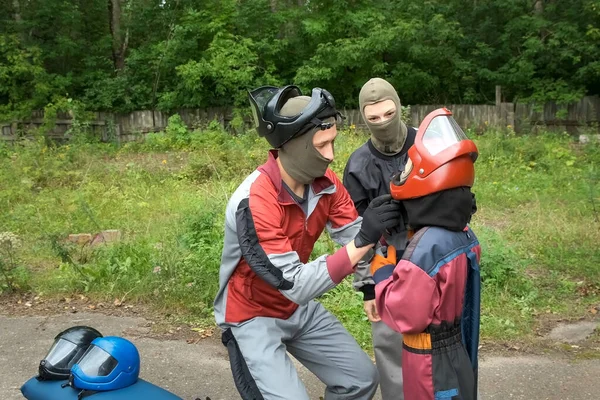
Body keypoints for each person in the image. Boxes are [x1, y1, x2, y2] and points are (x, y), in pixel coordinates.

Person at [213, 84, 404, 400]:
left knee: (361, 379)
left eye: (333, 142)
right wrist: (363, 240)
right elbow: (297, 283)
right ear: (296, 145)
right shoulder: (254, 201)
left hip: (294, 308)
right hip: (251, 315)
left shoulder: (327, 185)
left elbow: (351, 235)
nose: (331, 155)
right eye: (322, 145)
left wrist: (370, 285)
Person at [370, 107, 481, 400]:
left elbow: (404, 314)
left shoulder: (425, 248)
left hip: (427, 359)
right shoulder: (463, 234)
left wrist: (381, 272)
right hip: (456, 347)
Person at [343, 77, 416, 399]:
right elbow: (356, 233)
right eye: (373, 118)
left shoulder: (428, 144)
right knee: (391, 351)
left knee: (446, 343)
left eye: (389, 113)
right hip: (388, 263)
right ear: (363, 118)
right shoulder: (359, 165)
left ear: (399, 107)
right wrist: (367, 288)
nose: (383, 122)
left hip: (437, 255)